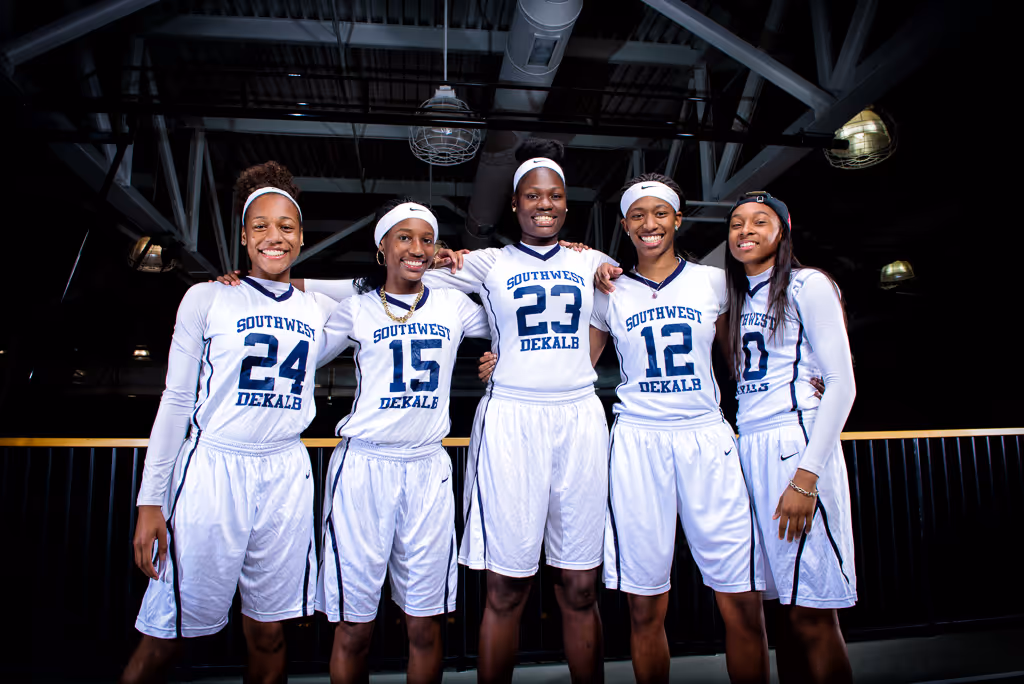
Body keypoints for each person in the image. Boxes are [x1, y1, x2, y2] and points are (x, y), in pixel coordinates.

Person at [305, 138, 615, 684]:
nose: (543, 204)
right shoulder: (486, 265)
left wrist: (520, 353)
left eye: (554, 195)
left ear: (567, 204)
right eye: (531, 195)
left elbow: (613, 308)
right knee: (503, 585)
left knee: (581, 583)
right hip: (497, 425)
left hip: (573, 421)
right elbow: (398, 278)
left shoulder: (590, 261)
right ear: (514, 203)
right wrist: (274, 282)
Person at [122, 161, 341, 684]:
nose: (274, 237)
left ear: (302, 237)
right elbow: (176, 401)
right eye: (260, 226)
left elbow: (380, 289)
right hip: (213, 470)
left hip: (284, 472)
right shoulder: (207, 297)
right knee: (167, 633)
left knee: (269, 633)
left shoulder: (318, 310)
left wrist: (295, 278)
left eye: (286, 227)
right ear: (243, 236)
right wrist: (151, 501)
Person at [584, 173, 770, 684]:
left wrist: (810, 374)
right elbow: (576, 368)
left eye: (660, 213)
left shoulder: (713, 282)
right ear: (625, 225)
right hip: (639, 440)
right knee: (645, 606)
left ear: (677, 220)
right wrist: (504, 364)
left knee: (742, 599)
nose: (650, 224)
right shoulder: (608, 291)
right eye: (638, 215)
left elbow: (746, 359)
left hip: (706, 436)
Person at [314, 198, 491, 684]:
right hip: (364, 467)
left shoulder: (454, 306)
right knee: (354, 626)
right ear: (382, 248)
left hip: (427, 467)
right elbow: (303, 355)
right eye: (405, 238)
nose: (417, 248)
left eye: (426, 239)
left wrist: (497, 351)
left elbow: (514, 325)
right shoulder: (355, 309)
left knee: (425, 624)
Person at [725, 191, 857, 684]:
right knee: (783, 613)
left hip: (794, 443)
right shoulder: (738, 294)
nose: (746, 231)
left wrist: (806, 478)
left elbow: (841, 383)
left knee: (813, 612)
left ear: (782, 230)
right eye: (737, 223)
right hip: (750, 445)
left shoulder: (808, 284)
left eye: (760, 221)